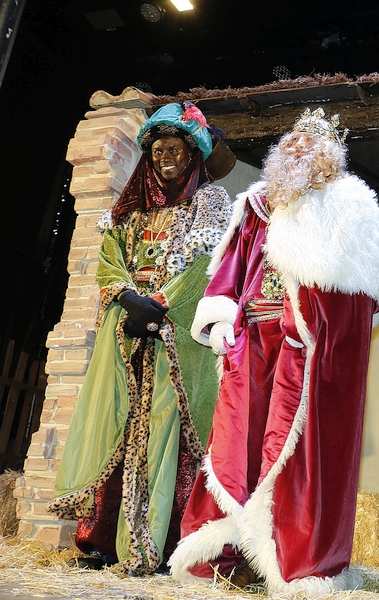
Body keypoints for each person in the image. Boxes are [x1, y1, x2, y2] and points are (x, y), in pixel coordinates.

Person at [168, 108, 379, 596]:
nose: (298, 151)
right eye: (291, 143)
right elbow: (231, 269)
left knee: (293, 455)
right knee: (237, 446)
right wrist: (223, 319)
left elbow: (356, 294)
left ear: (330, 160)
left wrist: (311, 328)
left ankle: (293, 558)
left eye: (310, 146)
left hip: (306, 351)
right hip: (252, 345)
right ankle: (230, 555)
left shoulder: (350, 208)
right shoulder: (256, 205)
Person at [48, 102, 235, 575]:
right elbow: (110, 260)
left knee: (167, 428)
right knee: (121, 423)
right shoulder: (128, 213)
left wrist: (159, 307)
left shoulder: (211, 205)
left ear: (193, 154)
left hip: (176, 340)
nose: (165, 158)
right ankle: (105, 541)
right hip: (128, 333)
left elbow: (205, 267)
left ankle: (161, 544)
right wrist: (129, 300)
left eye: (175, 149)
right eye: (157, 151)